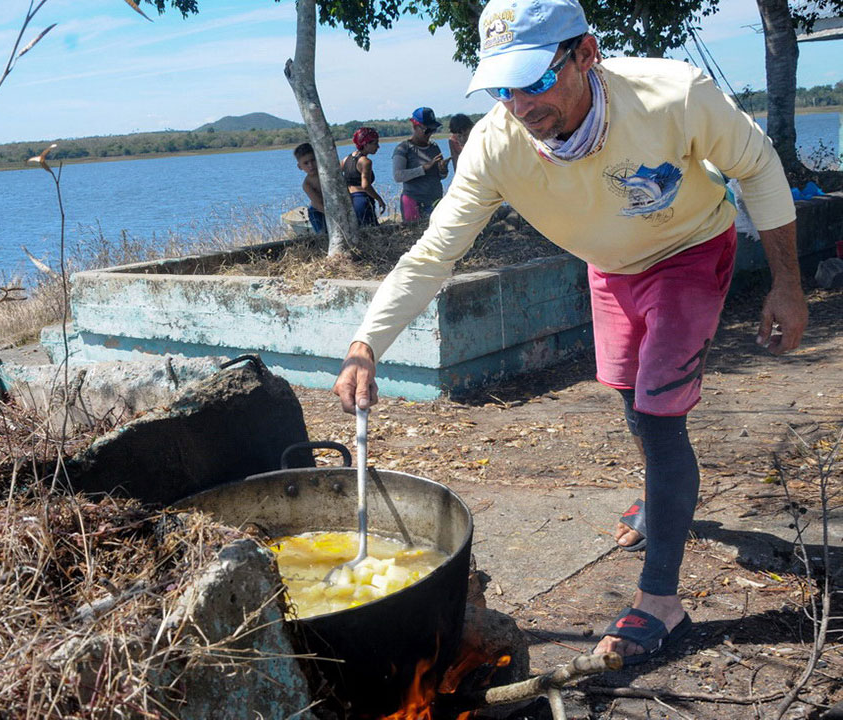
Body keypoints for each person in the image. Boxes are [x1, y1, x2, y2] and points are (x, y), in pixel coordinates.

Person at [332, 0, 807, 666]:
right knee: (629, 399)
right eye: (502, 87)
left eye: (534, 80)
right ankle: (662, 502)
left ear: (586, 53)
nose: (520, 104)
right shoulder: (498, 146)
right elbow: (435, 251)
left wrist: (787, 285)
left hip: (691, 249)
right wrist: (366, 344)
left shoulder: (673, 94)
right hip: (609, 266)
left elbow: (756, 167)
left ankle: (661, 606)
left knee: (659, 414)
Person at [392, 107, 449, 221]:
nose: (430, 134)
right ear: (415, 127)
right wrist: (423, 168)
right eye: (427, 130)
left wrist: (443, 170)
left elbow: (441, 176)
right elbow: (398, 176)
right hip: (413, 201)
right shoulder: (404, 148)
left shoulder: (434, 147)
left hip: (435, 200)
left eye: (433, 130)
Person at [342, 127, 387, 226]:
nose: (378, 146)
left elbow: (339, 179)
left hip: (350, 200)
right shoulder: (366, 162)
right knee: (372, 233)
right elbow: (365, 185)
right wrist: (379, 199)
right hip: (363, 200)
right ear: (365, 144)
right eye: (375, 143)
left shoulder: (346, 159)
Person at [294, 142, 325, 233]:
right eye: (306, 163)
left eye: (313, 160)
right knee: (322, 232)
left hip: (334, 206)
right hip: (318, 211)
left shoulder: (328, 174)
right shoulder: (307, 184)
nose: (310, 165)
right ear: (300, 167)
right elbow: (318, 204)